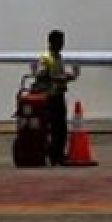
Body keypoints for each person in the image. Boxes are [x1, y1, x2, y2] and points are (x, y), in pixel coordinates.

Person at [34, 29, 76, 166]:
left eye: (62, 42)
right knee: (52, 128)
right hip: (49, 97)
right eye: (59, 42)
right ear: (52, 42)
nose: (62, 44)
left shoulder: (59, 58)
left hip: (59, 95)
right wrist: (58, 78)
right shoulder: (46, 58)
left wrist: (67, 77)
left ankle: (58, 155)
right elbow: (40, 75)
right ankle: (53, 154)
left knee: (61, 128)